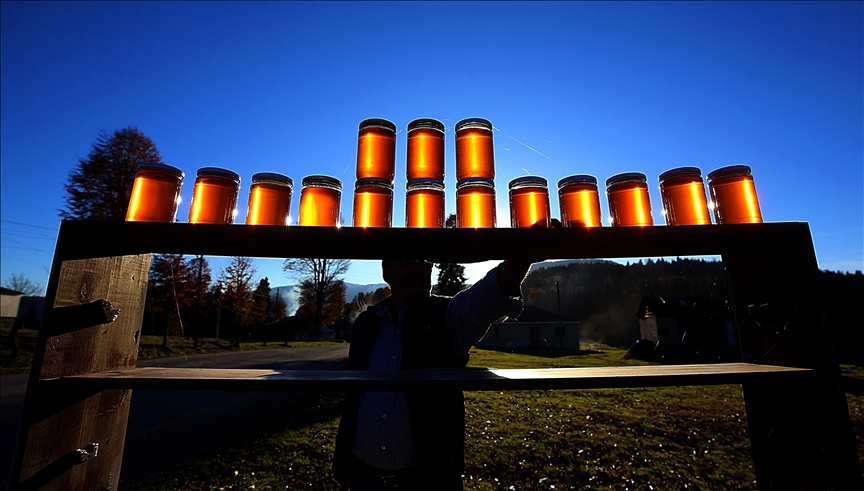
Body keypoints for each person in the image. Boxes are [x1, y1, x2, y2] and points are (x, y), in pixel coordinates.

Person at [332, 257, 535, 490]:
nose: (417, 267)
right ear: (386, 271)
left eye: (425, 261)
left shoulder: (448, 317)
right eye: (407, 259)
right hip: (364, 479)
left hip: (431, 483)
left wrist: (525, 253)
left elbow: (494, 290)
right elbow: (353, 398)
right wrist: (344, 465)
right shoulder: (367, 323)